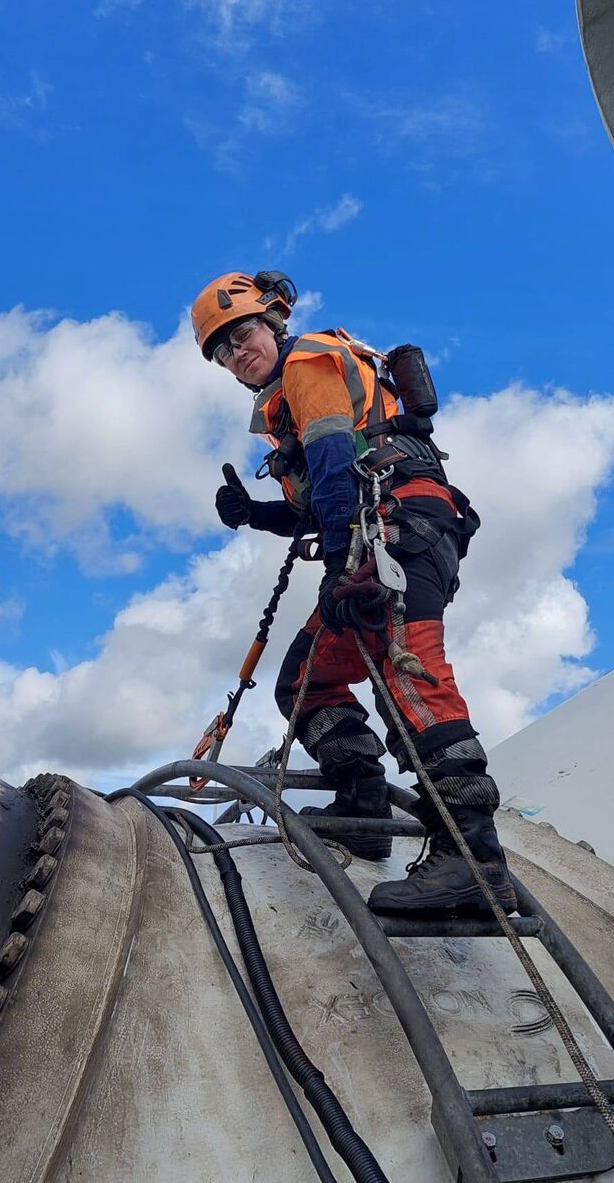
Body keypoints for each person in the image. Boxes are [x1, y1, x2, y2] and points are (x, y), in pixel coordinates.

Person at [191, 270, 516, 915]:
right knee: (306, 681)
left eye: (244, 332)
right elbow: (322, 503)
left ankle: (473, 863)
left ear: (273, 322)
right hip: (379, 540)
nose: (237, 352)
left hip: (398, 534)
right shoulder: (289, 404)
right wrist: (254, 513)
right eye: (222, 349)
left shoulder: (309, 365)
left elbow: (339, 463)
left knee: (412, 677)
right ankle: (363, 804)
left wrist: (340, 567)